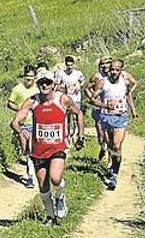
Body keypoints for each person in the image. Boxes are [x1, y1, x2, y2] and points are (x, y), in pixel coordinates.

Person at [11, 70, 85, 225]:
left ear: (54, 84)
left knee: (55, 178)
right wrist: (21, 132)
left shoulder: (62, 99)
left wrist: (80, 136)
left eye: (48, 82)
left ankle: (60, 197)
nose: (44, 85)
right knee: (43, 186)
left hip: (58, 147)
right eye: (41, 82)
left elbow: (78, 114)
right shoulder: (32, 101)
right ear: (37, 84)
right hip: (38, 149)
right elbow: (15, 122)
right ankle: (50, 216)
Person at [89, 59, 138, 190]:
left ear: (121, 70)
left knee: (117, 145)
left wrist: (133, 110)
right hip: (106, 117)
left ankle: (114, 176)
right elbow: (92, 99)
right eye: (112, 69)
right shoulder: (102, 82)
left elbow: (128, 96)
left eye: (117, 69)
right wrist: (104, 105)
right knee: (110, 145)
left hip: (121, 116)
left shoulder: (125, 82)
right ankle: (112, 165)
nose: (114, 72)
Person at [7, 65, 39, 188]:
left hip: (36, 124)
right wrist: (20, 109)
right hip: (23, 123)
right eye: (27, 76)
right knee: (26, 149)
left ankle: (32, 175)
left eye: (31, 76)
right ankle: (30, 171)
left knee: (33, 149)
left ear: (35, 77)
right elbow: (9, 103)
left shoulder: (38, 89)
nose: (29, 79)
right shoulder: (17, 89)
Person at [85, 56, 111, 161]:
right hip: (98, 107)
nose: (105, 66)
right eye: (102, 64)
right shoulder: (96, 76)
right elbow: (86, 87)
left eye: (107, 63)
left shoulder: (114, 76)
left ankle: (110, 157)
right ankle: (103, 147)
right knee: (101, 133)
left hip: (110, 107)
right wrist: (92, 98)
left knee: (109, 133)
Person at [55, 56, 86, 142]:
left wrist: (79, 86)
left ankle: (76, 134)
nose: (69, 67)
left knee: (77, 116)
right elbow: (56, 84)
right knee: (66, 117)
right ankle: (67, 134)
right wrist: (62, 87)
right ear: (65, 64)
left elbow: (83, 81)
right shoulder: (60, 73)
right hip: (65, 99)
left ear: (73, 65)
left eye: (71, 65)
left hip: (76, 98)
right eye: (68, 65)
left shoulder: (78, 73)